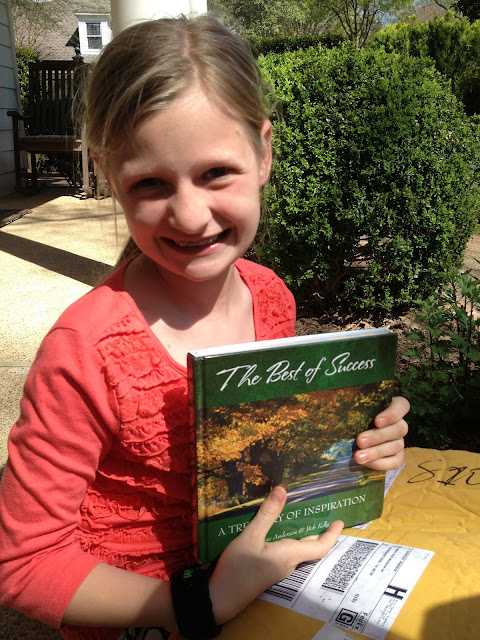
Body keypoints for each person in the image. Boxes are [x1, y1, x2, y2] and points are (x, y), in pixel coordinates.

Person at [0, 15, 409, 640]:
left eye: (216, 172)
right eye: (150, 184)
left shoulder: (271, 297)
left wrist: (356, 452)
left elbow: (275, 460)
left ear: (264, 153)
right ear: (109, 176)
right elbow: (24, 564)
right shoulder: (85, 352)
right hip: (148, 616)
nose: (190, 216)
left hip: (268, 590)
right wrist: (201, 602)